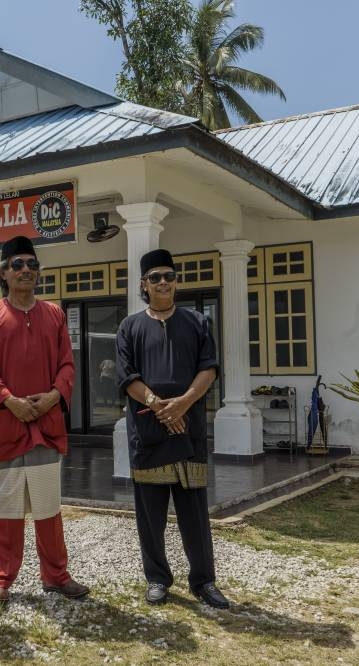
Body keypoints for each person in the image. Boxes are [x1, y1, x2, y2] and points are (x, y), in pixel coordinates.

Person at [0, 235, 90, 606]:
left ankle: (56, 575)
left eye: (32, 265)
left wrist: (54, 395)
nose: (25, 271)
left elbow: (67, 364)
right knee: (3, 508)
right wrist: (9, 402)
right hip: (6, 427)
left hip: (45, 424)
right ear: (4, 273)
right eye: (17, 264)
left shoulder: (54, 314)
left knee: (48, 506)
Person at [115, 248, 230, 609]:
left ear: (176, 281)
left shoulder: (197, 322)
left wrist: (183, 403)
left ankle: (204, 581)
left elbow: (208, 369)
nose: (162, 282)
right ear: (143, 284)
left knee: (194, 511)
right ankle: (157, 579)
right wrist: (158, 405)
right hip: (149, 433)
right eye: (155, 277)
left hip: (189, 430)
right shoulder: (129, 327)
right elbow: (126, 377)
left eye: (169, 276)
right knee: (150, 515)